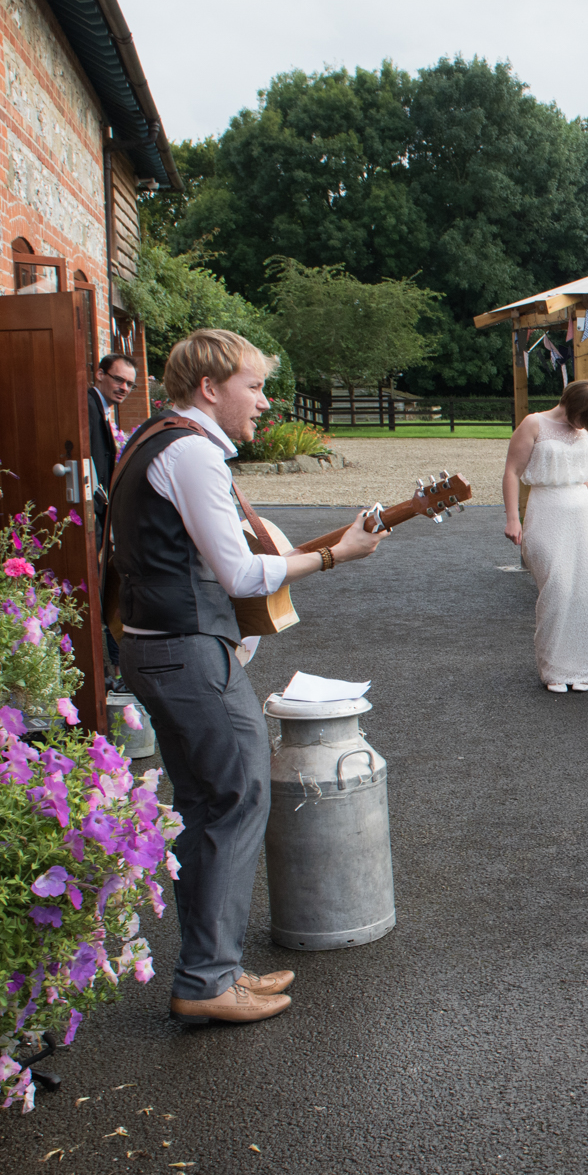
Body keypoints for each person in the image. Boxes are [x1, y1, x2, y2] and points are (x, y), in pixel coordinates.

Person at [110, 329, 386, 1026]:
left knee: (209, 806)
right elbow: (237, 572)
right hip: (186, 653)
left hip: (157, 648)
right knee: (236, 801)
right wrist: (335, 557)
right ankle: (207, 978)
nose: (264, 401)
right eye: (254, 385)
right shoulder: (193, 452)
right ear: (210, 387)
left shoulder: (151, 438)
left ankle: (215, 967)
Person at [502, 380, 588, 693]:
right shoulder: (534, 424)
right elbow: (512, 472)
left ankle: (582, 668)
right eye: (583, 417)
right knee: (557, 586)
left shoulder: (582, 430)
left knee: (586, 589)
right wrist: (512, 518)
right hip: (547, 512)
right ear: (571, 404)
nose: (584, 426)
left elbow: (586, 478)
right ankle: (554, 668)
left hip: (583, 516)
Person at [89, 353, 136, 686]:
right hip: (92, 514)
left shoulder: (101, 408)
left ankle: (115, 668)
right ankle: (109, 670)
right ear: (99, 374)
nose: (124, 388)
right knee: (100, 587)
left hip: (103, 515)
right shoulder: (89, 406)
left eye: (130, 384)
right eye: (119, 379)